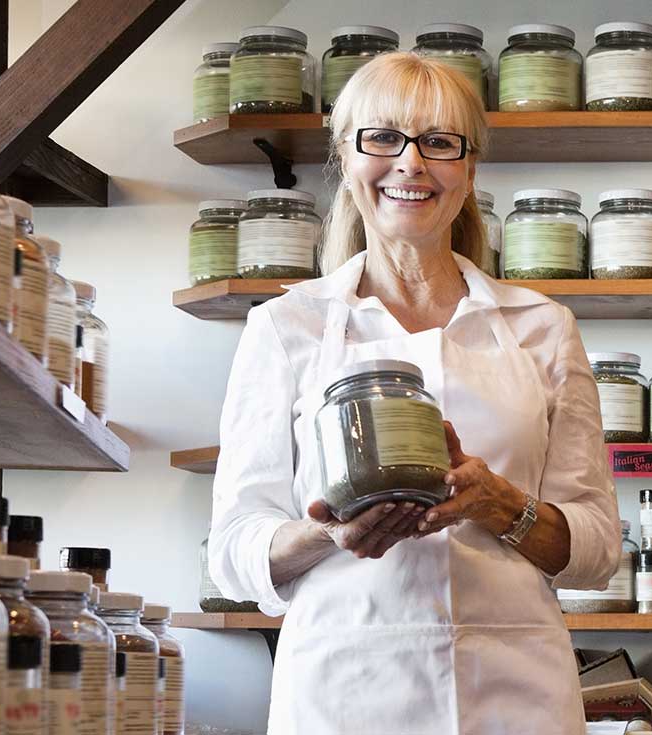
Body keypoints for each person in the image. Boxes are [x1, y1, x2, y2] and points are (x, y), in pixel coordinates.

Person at [208, 52, 619, 734]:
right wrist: (328, 532)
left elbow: (598, 547)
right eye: (383, 138)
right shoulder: (285, 326)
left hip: (515, 692)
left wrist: (502, 504)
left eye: (439, 142)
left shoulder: (541, 327)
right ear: (346, 156)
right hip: (344, 689)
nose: (411, 163)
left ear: (470, 167)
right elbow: (233, 550)